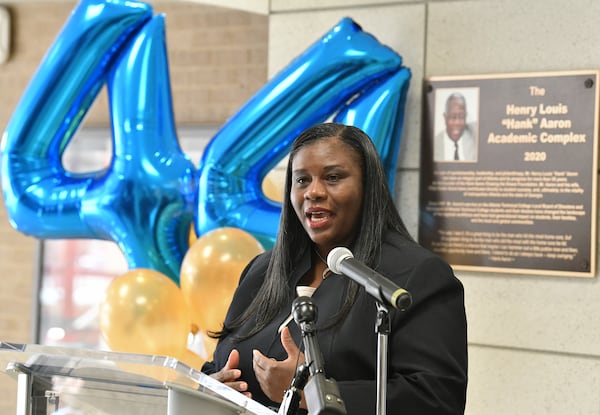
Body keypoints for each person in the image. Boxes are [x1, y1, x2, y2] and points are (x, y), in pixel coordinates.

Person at [202, 122, 468, 414]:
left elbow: (437, 399)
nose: (313, 192)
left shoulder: (416, 276)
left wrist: (311, 393)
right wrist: (211, 387)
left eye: (332, 177)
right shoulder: (262, 271)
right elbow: (218, 364)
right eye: (302, 180)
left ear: (368, 187)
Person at [434, 92, 477, 161]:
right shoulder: (434, 145)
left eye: (461, 116)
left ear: (466, 116)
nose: (457, 122)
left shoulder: (474, 136)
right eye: (453, 117)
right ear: (445, 118)